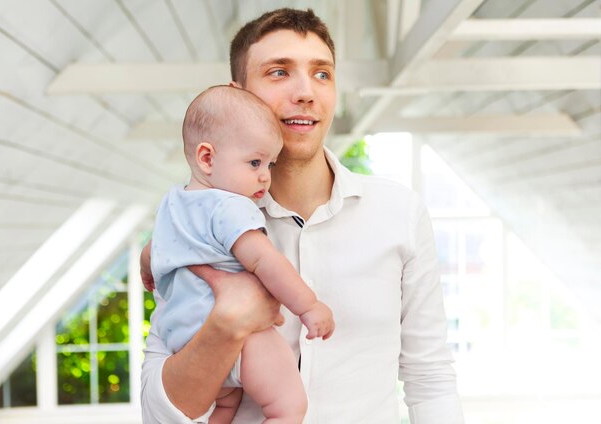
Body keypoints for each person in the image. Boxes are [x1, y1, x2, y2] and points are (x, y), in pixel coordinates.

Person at [141, 7, 464, 424]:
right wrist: (225, 325)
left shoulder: (399, 212)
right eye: (279, 72)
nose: (306, 92)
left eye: (322, 74)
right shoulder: (196, 222)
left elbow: (430, 377)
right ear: (237, 93)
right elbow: (159, 411)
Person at [150, 85, 334, 423]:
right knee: (288, 407)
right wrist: (308, 306)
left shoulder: (171, 203)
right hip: (246, 340)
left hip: (185, 339)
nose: (265, 175)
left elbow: (153, 256)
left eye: (270, 163)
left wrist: (149, 274)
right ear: (207, 158)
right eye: (254, 162)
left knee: (223, 408)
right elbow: (265, 261)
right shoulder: (232, 206)